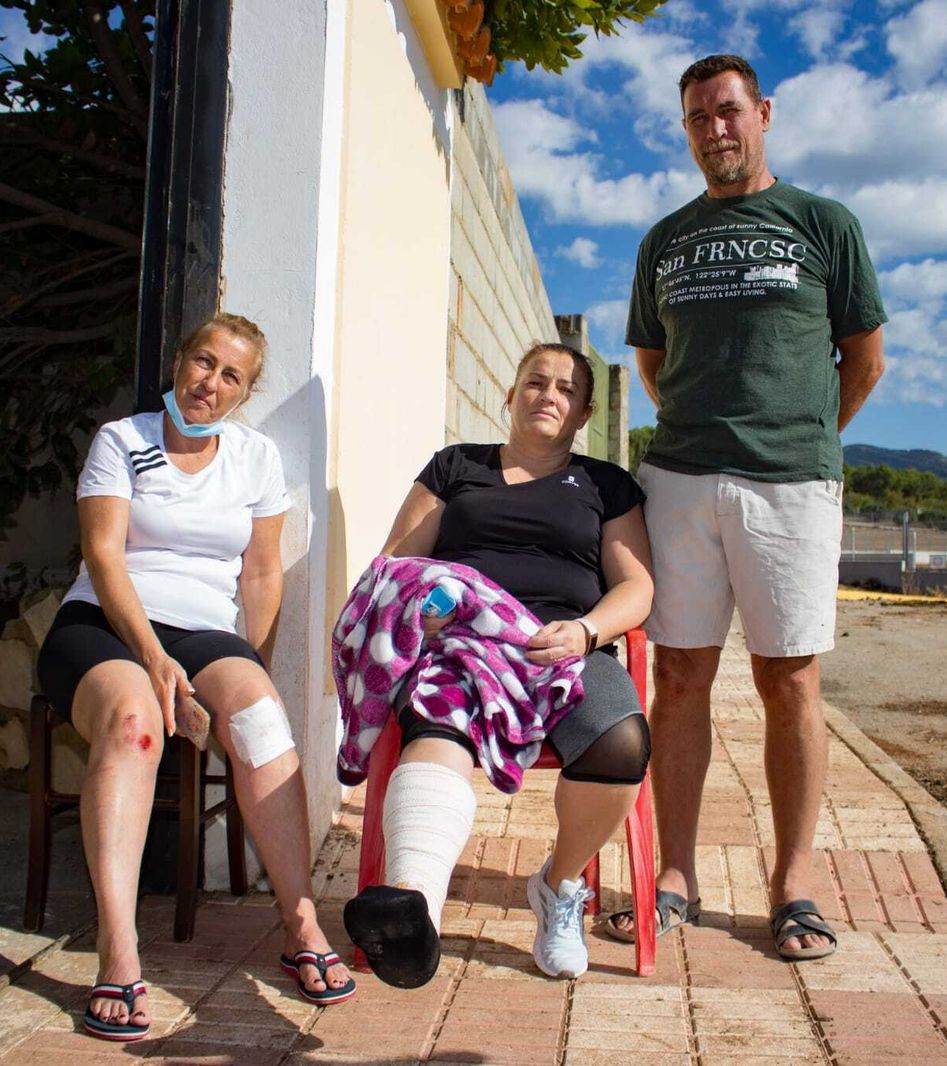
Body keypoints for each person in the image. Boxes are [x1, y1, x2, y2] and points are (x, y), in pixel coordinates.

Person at [611, 54, 887, 962]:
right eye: (697, 118)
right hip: (683, 479)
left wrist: (801, 436)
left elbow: (865, 359)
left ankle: (792, 886)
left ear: (762, 113)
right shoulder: (665, 239)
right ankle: (677, 875)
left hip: (792, 484)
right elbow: (653, 366)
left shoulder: (823, 224)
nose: (715, 130)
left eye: (728, 112)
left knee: (789, 682)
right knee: (679, 679)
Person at [36, 312, 354, 1042]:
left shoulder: (254, 458)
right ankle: (118, 950)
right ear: (180, 362)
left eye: (230, 375)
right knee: (134, 724)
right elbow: (106, 557)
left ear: (244, 394)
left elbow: (263, 569)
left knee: (262, 722)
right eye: (204, 362)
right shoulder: (123, 441)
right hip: (105, 624)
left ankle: (298, 924)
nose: (211, 382)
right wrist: (155, 664)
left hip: (205, 628)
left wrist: (251, 672)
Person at [342, 342, 654, 986]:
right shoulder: (456, 467)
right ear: (510, 396)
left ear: (584, 412)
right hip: (461, 644)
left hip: (560, 645)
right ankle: (412, 904)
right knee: (438, 726)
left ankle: (558, 886)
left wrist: (587, 631)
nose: (549, 395)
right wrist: (417, 609)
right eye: (535, 383)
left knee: (621, 743)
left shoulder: (605, 485)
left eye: (566, 390)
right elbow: (393, 565)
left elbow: (638, 589)